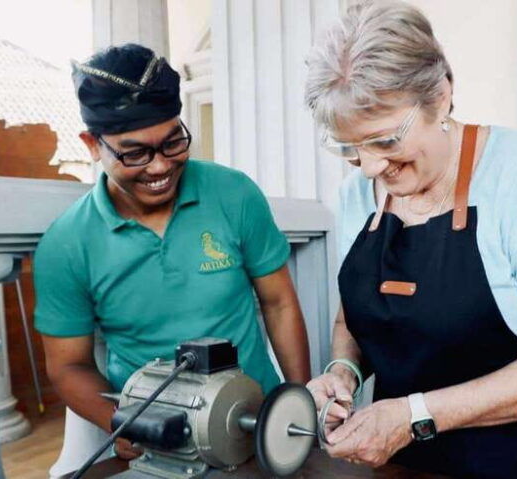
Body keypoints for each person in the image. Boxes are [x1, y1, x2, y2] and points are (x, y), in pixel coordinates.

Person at [303, 2, 517, 478]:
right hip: (404, 466)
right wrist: (343, 372)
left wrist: (414, 416)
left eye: (385, 141)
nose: (368, 167)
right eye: (348, 149)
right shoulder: (356, 195)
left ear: (441, 95)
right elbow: (355, 315)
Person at [34, 44, 310, 459]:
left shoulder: (234, 194)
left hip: (257, 424)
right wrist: (125, 422)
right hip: (160, 446)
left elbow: (279, 303)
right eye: (135, 153)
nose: (160, 167)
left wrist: (297, 404)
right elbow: (67, 365)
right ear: (93, 145)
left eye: (173, 142)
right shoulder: (67, 244)